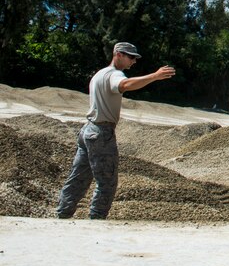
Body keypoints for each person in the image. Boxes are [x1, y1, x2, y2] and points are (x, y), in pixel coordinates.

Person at [56, 42, 176, 219]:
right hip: (101, 132)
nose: (133, 61)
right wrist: (155, 76)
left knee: (78, 178)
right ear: (118, 54)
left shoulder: (99, 74)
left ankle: (62, 214)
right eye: (131, 57)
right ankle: (97, 220)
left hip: (87, 130)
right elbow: (124, 85)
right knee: (107, 182)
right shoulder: (114, 74)